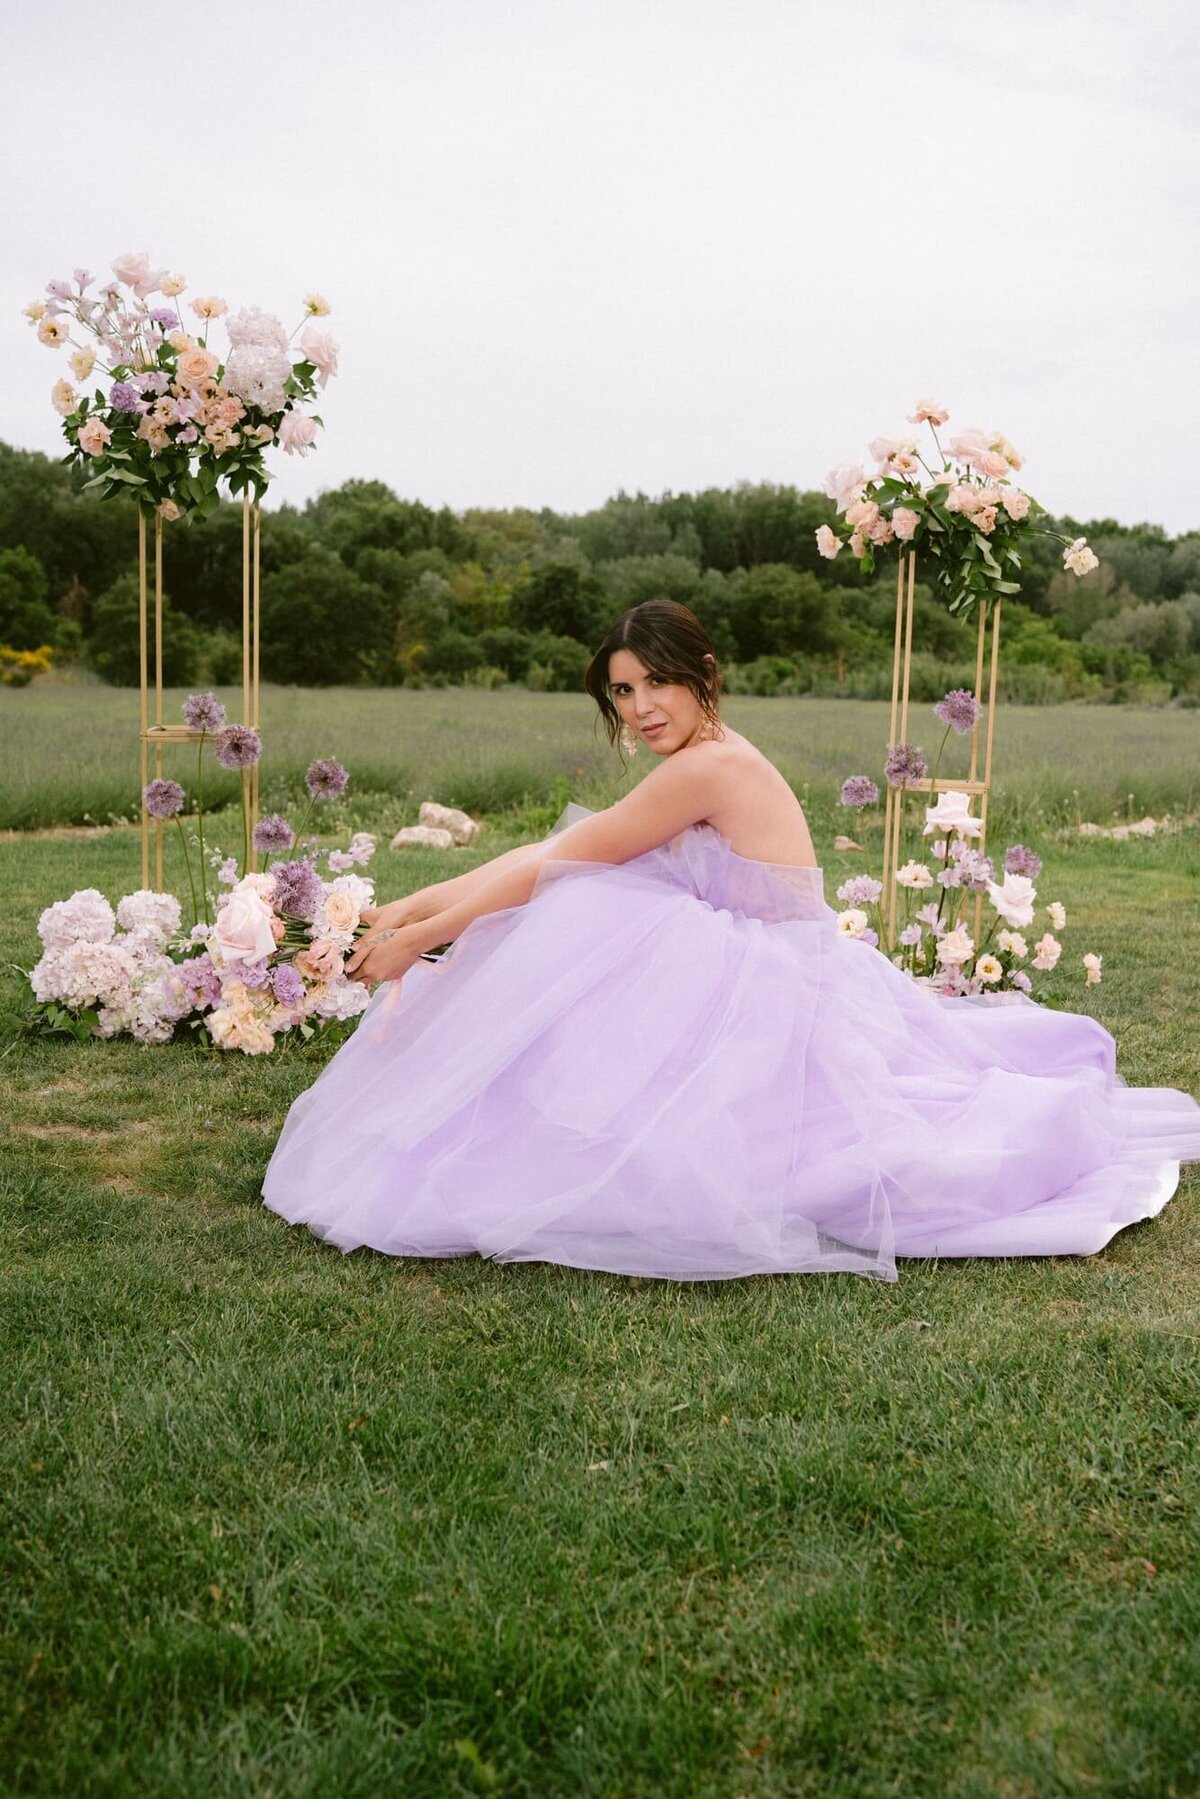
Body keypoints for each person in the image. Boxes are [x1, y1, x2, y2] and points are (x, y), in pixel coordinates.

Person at [262, 601, 1200, 1280]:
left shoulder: (705, 768)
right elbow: (550, 852)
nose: (640, 707)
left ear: (703, 674)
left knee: (589, 910)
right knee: (591, 900)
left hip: (783, 985)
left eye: (657, 682)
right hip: (773, 963)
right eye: (623, 690)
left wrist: (424, 937)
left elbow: (560, 863)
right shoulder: (700, 755)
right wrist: (408, 908)